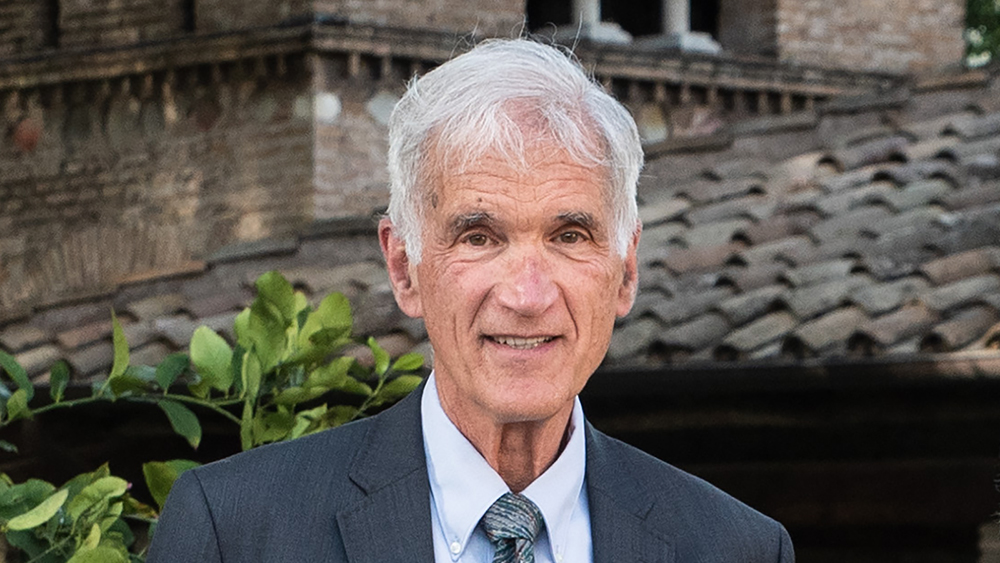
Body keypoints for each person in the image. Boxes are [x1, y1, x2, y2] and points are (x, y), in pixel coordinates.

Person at [148, 38, 794, 563]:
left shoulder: (734, 547)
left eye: (570, 236)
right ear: (404, 267)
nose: (526, 295)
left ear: (625, 272)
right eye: (480, 237)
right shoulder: (236, 531)